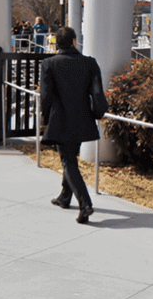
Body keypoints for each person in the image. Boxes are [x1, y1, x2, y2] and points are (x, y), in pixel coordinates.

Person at [40, 25, 106, 225]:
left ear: (57, 44)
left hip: (60, 119)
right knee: (70, 158)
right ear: (75, 42)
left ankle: (85, 204)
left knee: (68, 161)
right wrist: (98, 113)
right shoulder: (90, 63)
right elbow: (97, 92)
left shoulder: (49, 64)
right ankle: (65, 197)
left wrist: (45, 120)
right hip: (83, 118)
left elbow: (45, 97)